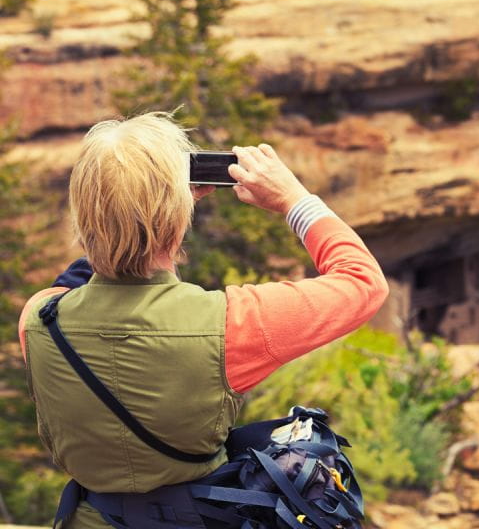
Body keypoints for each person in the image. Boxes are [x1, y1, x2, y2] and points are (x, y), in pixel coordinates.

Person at [17, 112, 389, 528]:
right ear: (177, 217)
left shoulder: (38, 320)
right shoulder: (229, 326)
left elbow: (79, 281)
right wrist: (293, 200)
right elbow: (363, 281)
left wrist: (134, 214)